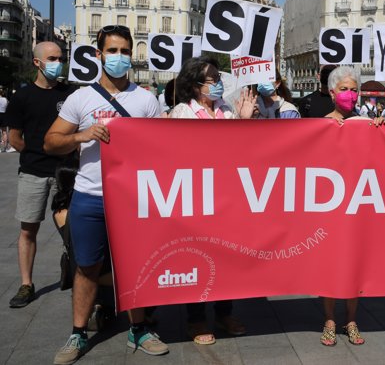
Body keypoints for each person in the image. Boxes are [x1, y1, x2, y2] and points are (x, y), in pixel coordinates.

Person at [44, 25, 169, 363]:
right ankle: (77, 334)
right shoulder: (80, 98)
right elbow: (51, 141)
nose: (119, 57)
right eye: (112, 51)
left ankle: (139, 329)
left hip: (134, 198)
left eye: (125, 51)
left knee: (138, 265)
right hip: (90, 196)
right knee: (85, 266)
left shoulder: (145, 99)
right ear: (99, 55)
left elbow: (162, 147)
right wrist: (81, 136)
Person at [168, 56, 254, 345]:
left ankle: (224, 311)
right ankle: (195, 318)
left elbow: (240, 150)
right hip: (196, 197)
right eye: (212, 79)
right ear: (195, 86)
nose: (218, 83)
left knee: (226, 258)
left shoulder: (226, 111)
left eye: (218, 78)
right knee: (197, 257)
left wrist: (243, 122)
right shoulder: (182, 112)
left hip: (227, 197)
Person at [4, 42, 74, 309]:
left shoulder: (70, 93)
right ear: (37, 62)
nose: (59, 62)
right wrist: (37, 154)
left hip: (65, 173)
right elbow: (14, 138)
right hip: (33, 172)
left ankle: (74, 269)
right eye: (53, 58)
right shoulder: (22, 97)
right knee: (28, 229)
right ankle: (26, 284)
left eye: (61, 57)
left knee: (72, 229)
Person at [320, 66, 370, 346]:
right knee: (329, 264)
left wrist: (380, 130)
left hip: (357, 206)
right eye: (344, 89)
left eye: (353, 89)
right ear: (332, 92)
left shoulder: (364, 123)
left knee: (354, 264)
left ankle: (351, 319)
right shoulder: (319, 126)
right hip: (329, 207)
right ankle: (329, 319)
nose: (350, 94)